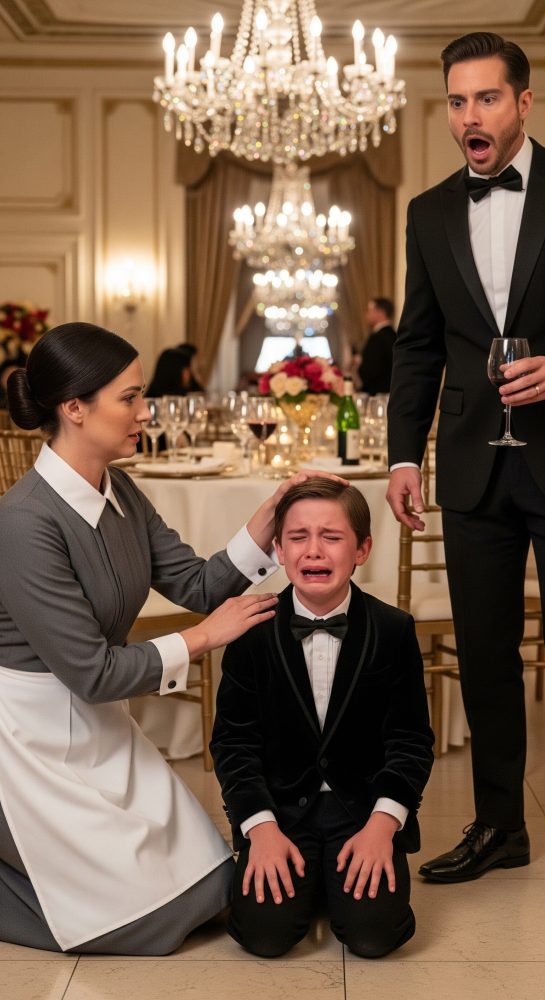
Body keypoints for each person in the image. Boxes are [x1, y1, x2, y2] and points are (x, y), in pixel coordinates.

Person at [0, 321, 332, 956]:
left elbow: (199, 583)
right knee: (143, 919)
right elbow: (93, 673)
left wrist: (269, 518)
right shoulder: (23, 522)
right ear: (74, 408)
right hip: (25, 740)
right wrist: (204, 639)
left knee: (213, 887)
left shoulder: (120, 489)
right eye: (129, 398)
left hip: (97, 724)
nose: (145, 412)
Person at [386, 31, 545, 883]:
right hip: (471, 463)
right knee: (484, 653)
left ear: (522, 102)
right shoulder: (427, 211)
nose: (468, 116)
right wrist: (402, 457)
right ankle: (499, 827)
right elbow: (416, 346)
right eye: (455, 101)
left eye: (485, 98)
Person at [211, 478, 434, 958]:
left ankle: (331, 880)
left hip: (362, 809)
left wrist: (383, 825)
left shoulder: (393, 630)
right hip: (280, 809)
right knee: (264, 936)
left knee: (375, 937)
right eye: (298, 537)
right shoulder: (250, 632)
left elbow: (410, 741)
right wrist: (260, 828)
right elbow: (234, 743)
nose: (313, 550)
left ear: (362, 550)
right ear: (279, 550)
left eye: (331, 537)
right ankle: (312, 881)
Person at [358, 298, 396, 395]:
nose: (367, 314)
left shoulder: (379, 337)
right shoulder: (392, 334)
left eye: (370, 310)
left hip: (377, 393)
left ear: (381, 313)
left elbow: (371, 369)